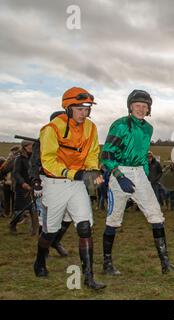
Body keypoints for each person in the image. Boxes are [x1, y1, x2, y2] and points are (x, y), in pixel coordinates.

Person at [100, 89, 174, 276]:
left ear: (149, 109)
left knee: (157, 217)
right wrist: (119, 176)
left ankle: (165, 264)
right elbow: (106, 154)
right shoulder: (120, 125)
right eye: (137, 105)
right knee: (113, 221)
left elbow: (144, 156)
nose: (141, 109)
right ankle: (107, 264)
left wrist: (145, 176)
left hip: (139, 174)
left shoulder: (148, 128)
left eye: (144, 106)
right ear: (130, 107)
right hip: (119, 171)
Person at [33, 87, 105, 290]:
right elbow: (48, 161)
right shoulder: (51, 128)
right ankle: (40, 261)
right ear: (68, 107)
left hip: (77, 183)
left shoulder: (91, 128)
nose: (85, 113)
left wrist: (92, 171)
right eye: (80, 109)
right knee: (50, 231)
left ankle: (89, 278)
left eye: (87, 109)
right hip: (54, 183)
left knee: (85, 227)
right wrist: (74, 173)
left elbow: (92, 152)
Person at [29, 111, 72, 257]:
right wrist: (36, 181)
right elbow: (34, 162)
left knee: (69, 215)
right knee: (46, 219)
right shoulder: (42, 140)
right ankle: (44, 250)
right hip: (46, 181)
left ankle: (56, 241)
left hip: (67, 182)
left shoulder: (72, 140)